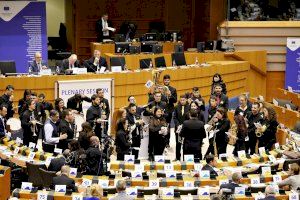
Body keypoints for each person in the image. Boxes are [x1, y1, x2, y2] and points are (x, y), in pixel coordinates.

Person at [173, 95, 189, 160]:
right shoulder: (176, 107)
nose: (182, 101)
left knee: (186, 143)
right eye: (181, 100)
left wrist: (185, 125)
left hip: (186, 128)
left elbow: (189, 117)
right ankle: (177, 157)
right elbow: (174, 117)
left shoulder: (189, 107)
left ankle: (185, 158)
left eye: (183, 100)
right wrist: (178, 125)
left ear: (186, 100)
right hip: (178, 128)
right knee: (178, 143)